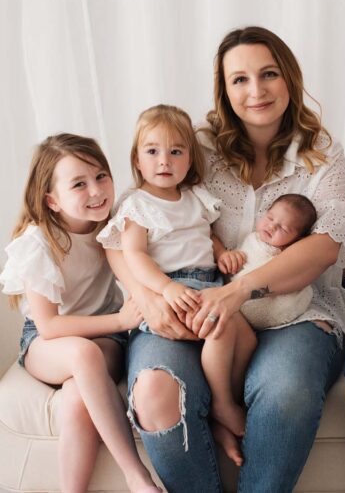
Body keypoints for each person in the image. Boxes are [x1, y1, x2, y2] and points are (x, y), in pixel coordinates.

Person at [105, 26, 345, 493]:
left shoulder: (322, 154)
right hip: (192, 303)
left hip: (296, 313)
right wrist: (148, 298)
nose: (256, 90)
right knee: (156, 391)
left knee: (286, 391)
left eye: (268, 74)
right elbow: (121, 234)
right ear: (224, 91)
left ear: (289, 78)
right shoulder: (194, 145)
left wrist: (240, 289)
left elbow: (323, 248)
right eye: (239, 79)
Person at [0, 134, 160, 493]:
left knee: (75, 398)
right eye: (79, 184)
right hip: (47, 343)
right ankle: (135, 474)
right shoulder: (39, 242)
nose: (96, 191)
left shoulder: (117, 224)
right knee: (80, 354)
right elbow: (49, 326)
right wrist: (121, 319)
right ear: (52, 200)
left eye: (101, 176)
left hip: (105, 341)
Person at [97, 104, 257, 466]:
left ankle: (217, 402)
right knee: (222, 330)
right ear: (137, 160)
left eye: (175, 151)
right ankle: (221, 403)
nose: (163, 161)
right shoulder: (138, 204)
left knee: (245, 336)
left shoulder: (195, 197)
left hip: (209, 283)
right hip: (173, 289)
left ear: (190, 159)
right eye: (152, 151)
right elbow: (134, 255)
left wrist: (222, 254)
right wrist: (166, 289)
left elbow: (206, 236)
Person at [221, 193, 318, 329]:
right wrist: (232, 259)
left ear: (296, 240)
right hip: (234, 303)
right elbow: (243, 259)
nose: (271, 226)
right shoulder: (252, 239)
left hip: (265, 303)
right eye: (270, 218)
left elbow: (285, 277)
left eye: (283, 228)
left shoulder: (286, 255)